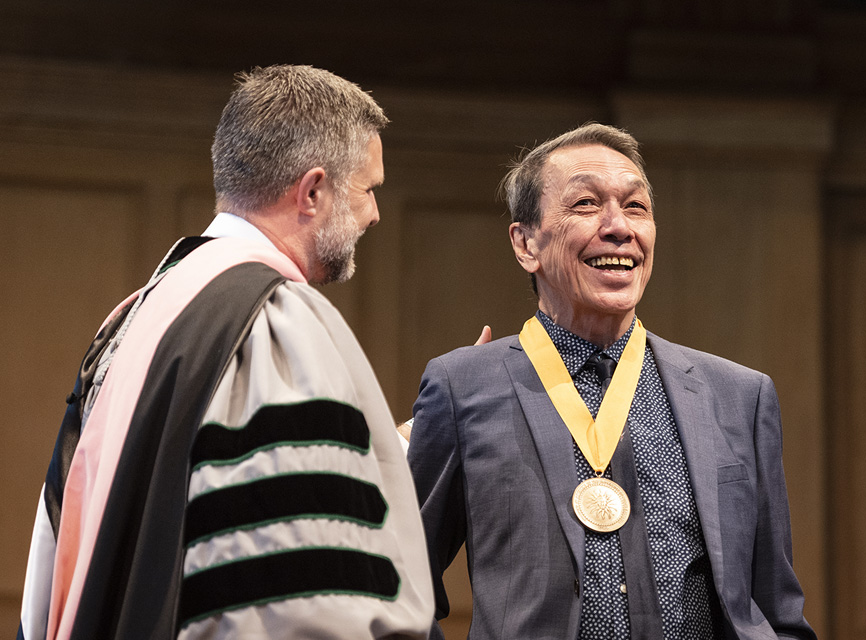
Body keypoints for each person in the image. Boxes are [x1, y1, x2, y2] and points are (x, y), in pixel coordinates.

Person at [18, 65, 433, 640]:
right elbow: (293, 590)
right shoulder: (272, 320)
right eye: (368, 189)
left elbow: (57, 541)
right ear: (312, 192)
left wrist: (387, 450)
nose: (375, 214)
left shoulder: (140, 310)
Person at [406, 123, 817, 639]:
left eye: (636, 207)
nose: (619, 227)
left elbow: (776, 608)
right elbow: (401, 584)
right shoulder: (463, 387)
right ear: (526, 242)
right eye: (585, 204)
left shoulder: (739, 396)